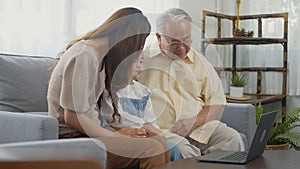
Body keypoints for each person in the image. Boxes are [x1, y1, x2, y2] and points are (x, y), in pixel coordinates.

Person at [47, 7, 170, 169]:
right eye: (138, 44)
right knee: (152, 148)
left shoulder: (100, 57)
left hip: (91, 135)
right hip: (73, 138)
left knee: (157, 139)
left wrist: (119, 132)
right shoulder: (84, 55)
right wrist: (116, 137)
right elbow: (73, 117)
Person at [138, 8, 245, 156]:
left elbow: (217, 102)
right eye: (174, 42)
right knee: (184, 151)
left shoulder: (200, 62)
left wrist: (193, 122)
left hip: (199, 128)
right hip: (163, 131)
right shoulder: (141, 60)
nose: (181, 48)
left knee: (232, 139)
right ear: (159, 37)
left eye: (186, 39)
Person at [100, 51, 183, 161]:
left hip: (143, 134)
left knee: (172, 148)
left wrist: (153, 131)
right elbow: (110, 122)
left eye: (141, 61)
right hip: (123, 136)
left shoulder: (143, 91)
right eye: (134, 61)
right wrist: (141, 127)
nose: (139, 65)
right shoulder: (109, 89)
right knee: (165, 149)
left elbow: (151, 122)